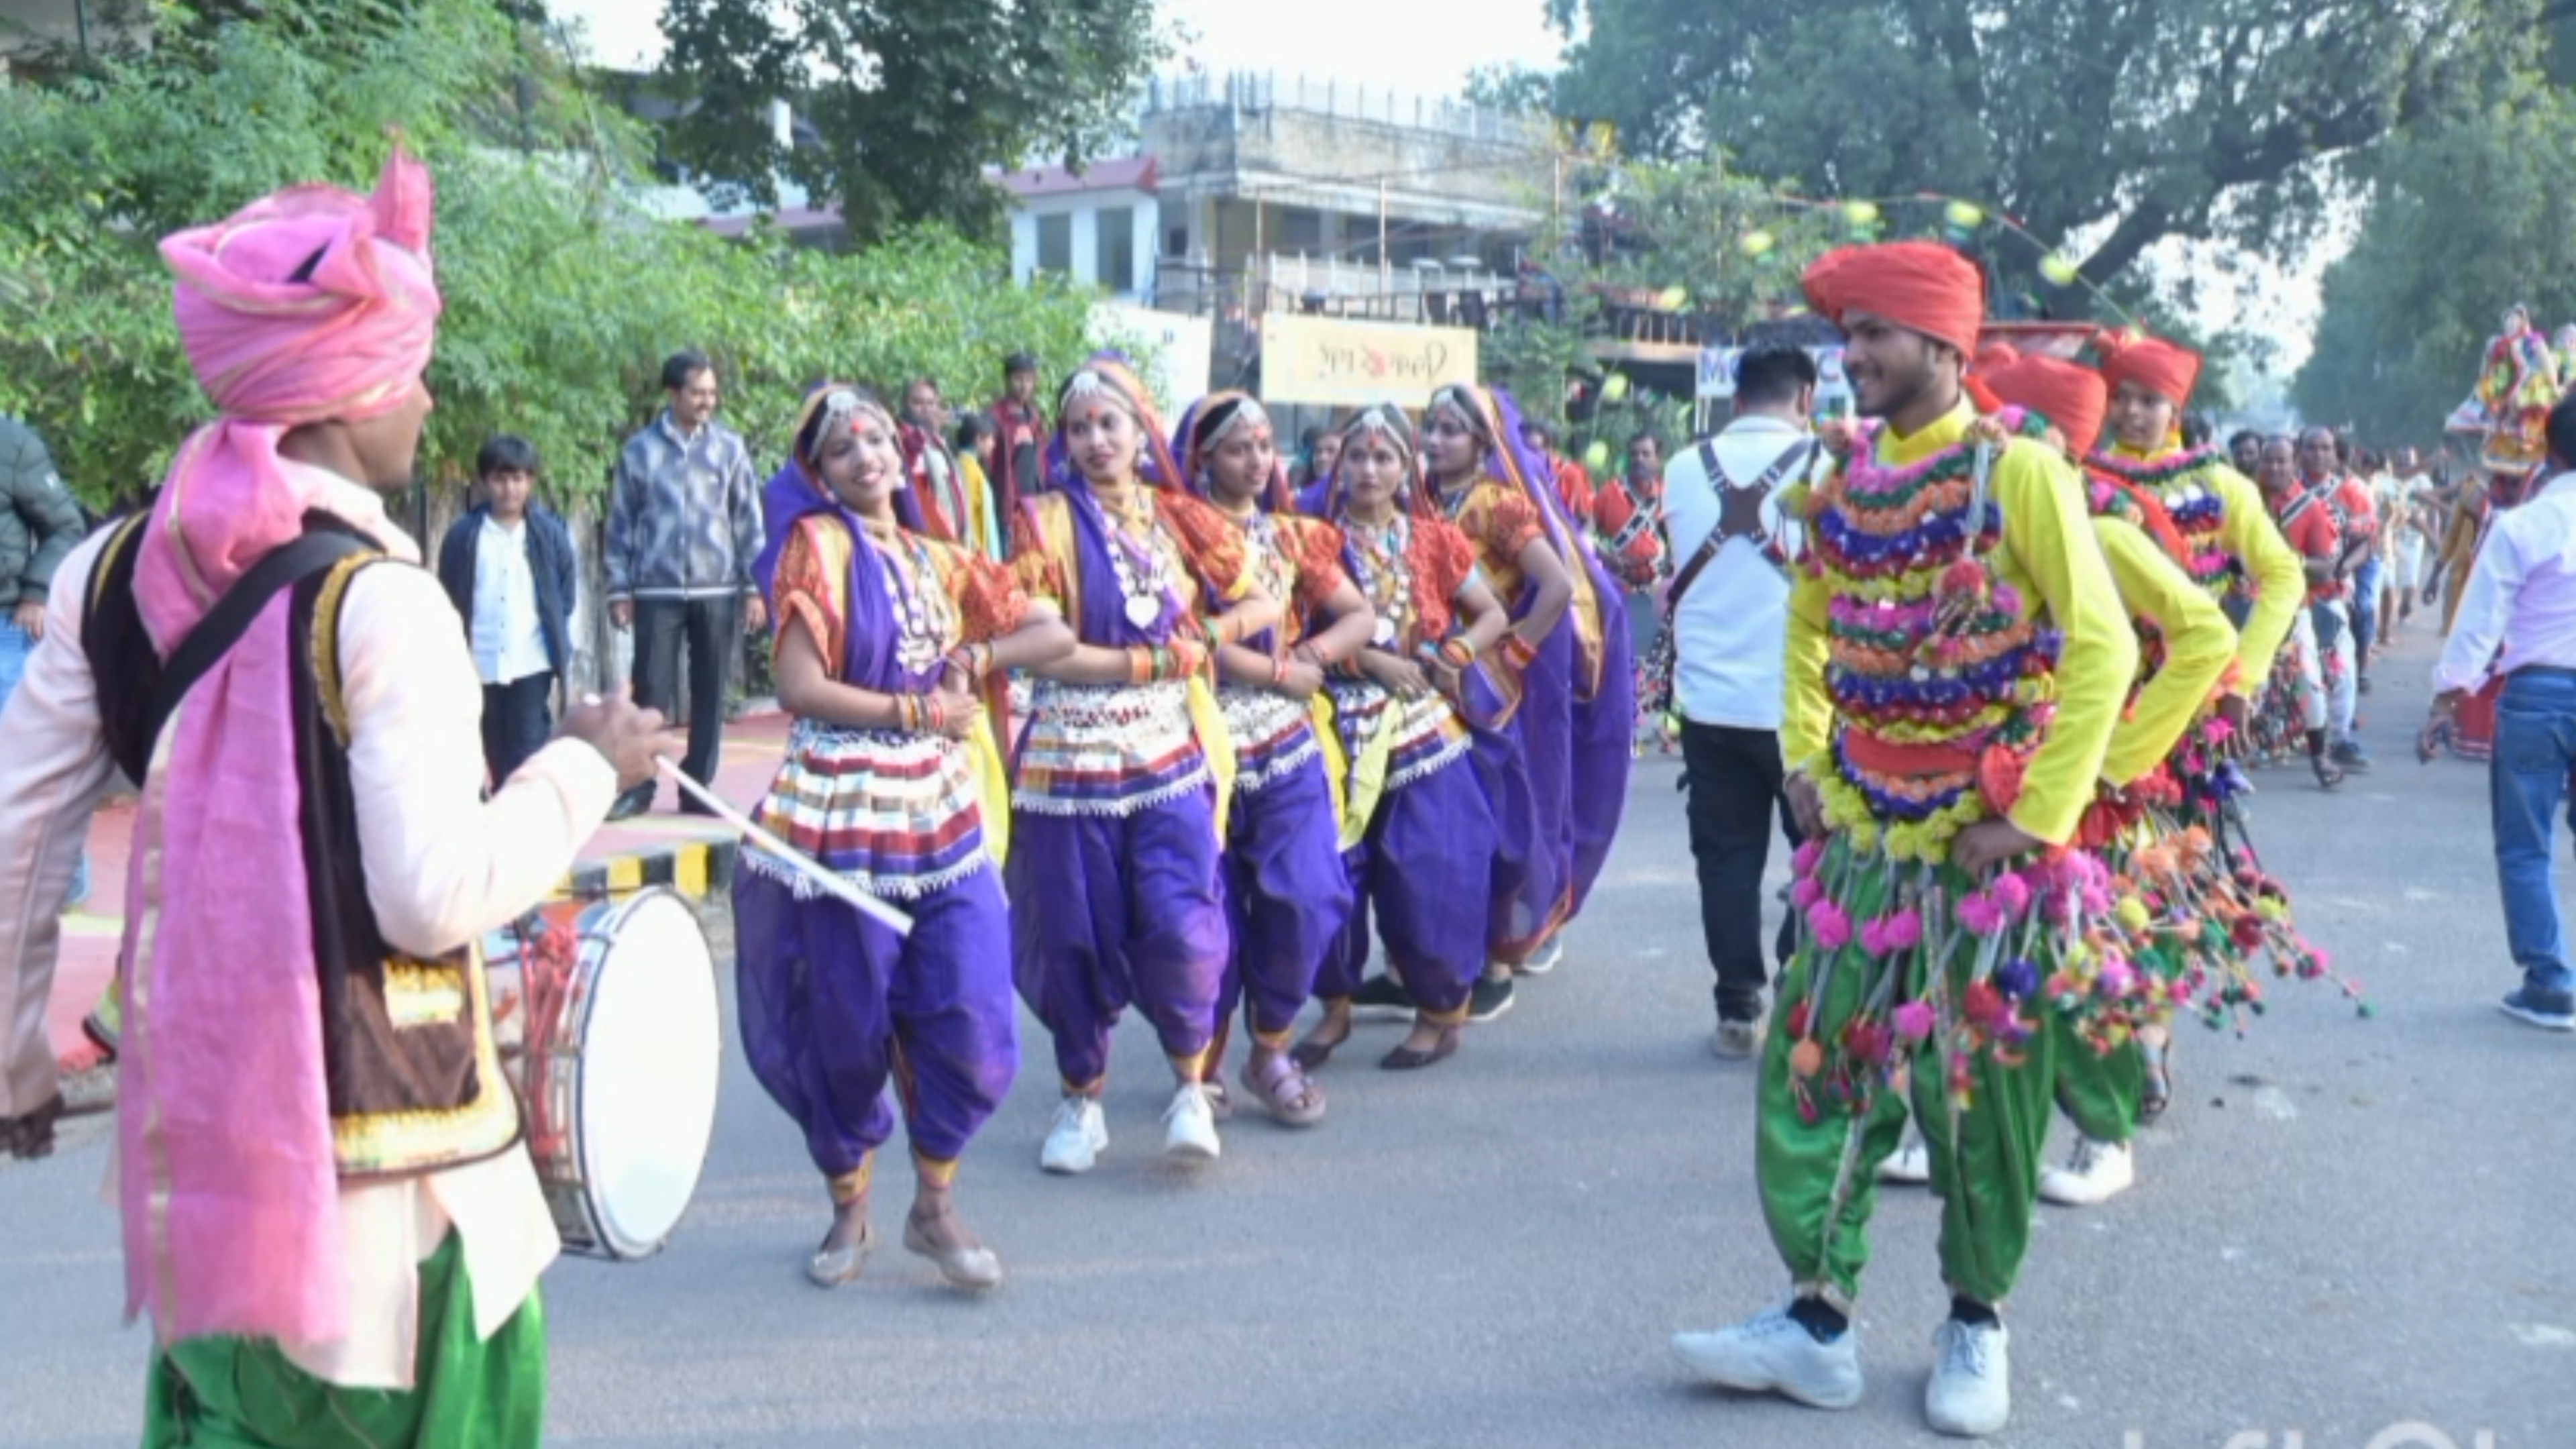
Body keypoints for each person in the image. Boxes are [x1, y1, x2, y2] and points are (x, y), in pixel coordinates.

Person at [0, 150, 681, 1446]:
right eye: (410, 365)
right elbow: (432, 895)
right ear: (344, 387)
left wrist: (16, 1068)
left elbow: (20, 848)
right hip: (403, 1207)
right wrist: (592, 761)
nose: (425, 398)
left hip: (204, 1189)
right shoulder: (382, 601)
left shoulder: (103, 574)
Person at [1671, 240, 2138, 1438]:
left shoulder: (2018, 474)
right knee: (1814, 1074)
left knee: (1976, 1095)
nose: (1854, 356)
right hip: (1861, 852)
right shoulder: (1841, 479)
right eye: (1850, 335)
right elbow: (1809, 636)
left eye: (1875, 333)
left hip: (1981, 860)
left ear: (1946, 346)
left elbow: (2102, 647)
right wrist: (1811, 770)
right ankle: (1816, 1325)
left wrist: (2031, 818)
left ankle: (1976, 1321)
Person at [735, 384, 1075, 1291]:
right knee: (846, 1021)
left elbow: (1051, 628)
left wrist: (978, 656)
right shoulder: (818, 546)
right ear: (821, 473)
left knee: (971, 1012)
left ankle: (933, 1204)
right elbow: (801, 686)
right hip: (842, 813)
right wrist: (916, 706)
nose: (866, 456)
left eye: (878, 438)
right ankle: (850, 1205)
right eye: (842, 449)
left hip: (939, 812)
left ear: (906, 450)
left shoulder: (943, 558)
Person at [1974, 350, 2237, 1209]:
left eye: (2009, 428)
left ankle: (2107, 1134)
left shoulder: (2104, 532)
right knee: (1978, 951)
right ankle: (1947, 1121)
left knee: (2084, 959)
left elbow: (2206, 638)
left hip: (2078, 791)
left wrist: (2118, 760)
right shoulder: (1992, 522)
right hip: (1997, 776)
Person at [1008, 357, 1281, 1173]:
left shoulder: (1180, 520)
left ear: (1140, 433)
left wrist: (1208, 641)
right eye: (1080, 427)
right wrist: (1142, 665)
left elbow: (1261, 600)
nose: (1095, 440)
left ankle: (1190, 1089)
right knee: (1075, 939)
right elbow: (1046, 650)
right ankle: (1080, 1101)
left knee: (1183, 924)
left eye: (1110, 425)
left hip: (1166, 758)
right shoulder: (1041, 522)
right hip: (1067, 765)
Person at [1291, 406, 1510, 1073]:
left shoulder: (1436, 540)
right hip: (1334, 727)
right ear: (1337, 462)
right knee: (1328, 876)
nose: (1368, 470)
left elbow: (1494, 613)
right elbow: (1291, 636)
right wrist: (1368, 662)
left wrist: (1461, 653)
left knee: (1430, 871)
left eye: (1384, 458)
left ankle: (1439, 1013)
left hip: (1422, 727)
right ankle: (1333, 1007)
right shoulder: (1312, 542)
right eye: (1356, 456)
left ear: (1406, 466)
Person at [1171, 392, 1379, 1093]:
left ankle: (1271, 1047)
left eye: (1265, 446)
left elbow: (1360, 614)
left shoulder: (1293, 537)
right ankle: (1203, 1064)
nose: (1257, 461)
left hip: (1287, 739)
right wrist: (1280, 671)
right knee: (1210, 911)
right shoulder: (1177, 535)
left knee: (1309, 893)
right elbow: (1187, 637)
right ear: (1204, 457)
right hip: (1200, 737)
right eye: (1239, 448)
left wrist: (1310, 654)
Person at [1660, 344, 1819, 1057]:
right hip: (1803, 710)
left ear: (1737, 399)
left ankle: (1736, 1005)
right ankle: (1796, 969)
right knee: (1819, 855)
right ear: (1806, 397)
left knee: (1726, 860)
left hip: (1709, 706)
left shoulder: (1681, 468)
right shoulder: (1830, 467)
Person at [2430, 394, 2576, 1031]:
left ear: (2549, 449)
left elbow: (2480, 619)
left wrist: (2448, 696)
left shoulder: (2526, 526)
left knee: (2526, 848)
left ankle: (2550, 983)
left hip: (2539, 693)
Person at [604, 348, 767, 818]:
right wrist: (620, 589)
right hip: (655, 590)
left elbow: (748, 522)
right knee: (651, 692)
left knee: (711, 689)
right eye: (697, 393)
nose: (706, 402)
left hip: (717, 589)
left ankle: (698, 786)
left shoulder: (729, 449)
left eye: (712, 393)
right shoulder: (639, 452)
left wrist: (753, 587)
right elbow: (620, 525)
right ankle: (640, 786)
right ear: (672, 394)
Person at [437, 435, 581, 786]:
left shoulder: (549, 534)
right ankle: (501, 810)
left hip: (530, 659)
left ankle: (528, 821)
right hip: (480, 660)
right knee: (491, 745)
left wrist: (556, 641)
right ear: (485, 481)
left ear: (530, 481)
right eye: (500, 479)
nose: (509, 489)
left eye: (518, 479)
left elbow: (564, 593)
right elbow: (451, 593)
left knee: (528, 745)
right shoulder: (464, 536)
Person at [1, 415, 90, 910]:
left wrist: (37, 593)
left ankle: (67, 881)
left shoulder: (11, 443)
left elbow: (65, 525)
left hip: (6, 630)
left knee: (22, 765)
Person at [2252, 436, 2348, 784]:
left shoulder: (2309, 508)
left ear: (2294, 465)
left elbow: (2324, 568)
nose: (2275, 468)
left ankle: (2320, 757)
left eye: (2282, 461)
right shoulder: (2245, 500)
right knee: (2237, 684)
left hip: (2294, 610)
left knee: (2309, 682)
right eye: (2269, 460)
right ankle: (2223, 768)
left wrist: (2284, 564)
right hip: (2244, 607)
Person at [2296, 426, 2373, 770]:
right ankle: (2299, 734)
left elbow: (2367, 542)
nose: (2318, 454)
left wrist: (2344, 569)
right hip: (2291, 595)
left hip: (2333, 594)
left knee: (2342, 666)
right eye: (2311, 448)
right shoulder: (2288, 491)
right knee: (2298, 668)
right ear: (2301, 452)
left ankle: (2341, 738)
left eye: (2325, 448)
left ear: (2334, 453)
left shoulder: (2351, 494)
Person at [901, 376, 996, 556]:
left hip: (956, 539)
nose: (925, 409)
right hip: (927, 542)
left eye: (930, 403)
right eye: (917, 403)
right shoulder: (903, 441)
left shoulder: (939, 441)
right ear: (905, 405)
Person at [1592, 429, 1669, 594]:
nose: (1639, 459)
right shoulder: (1609, 492)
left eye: (1646, 454)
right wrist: (1604, 556)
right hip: (1617, 587)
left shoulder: (1669, 495)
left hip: (1657, 590)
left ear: (1658, 460)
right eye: (1634, 454)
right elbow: (1584, 535)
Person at [988, 352, 1049, 526]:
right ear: (1007, 380)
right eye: (1018, 380)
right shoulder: (995, 416)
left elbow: (1042, 457)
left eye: (1029, 381)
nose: (1024, 386)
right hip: (1007, 501)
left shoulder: (1034, 417)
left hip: (1035, 499)